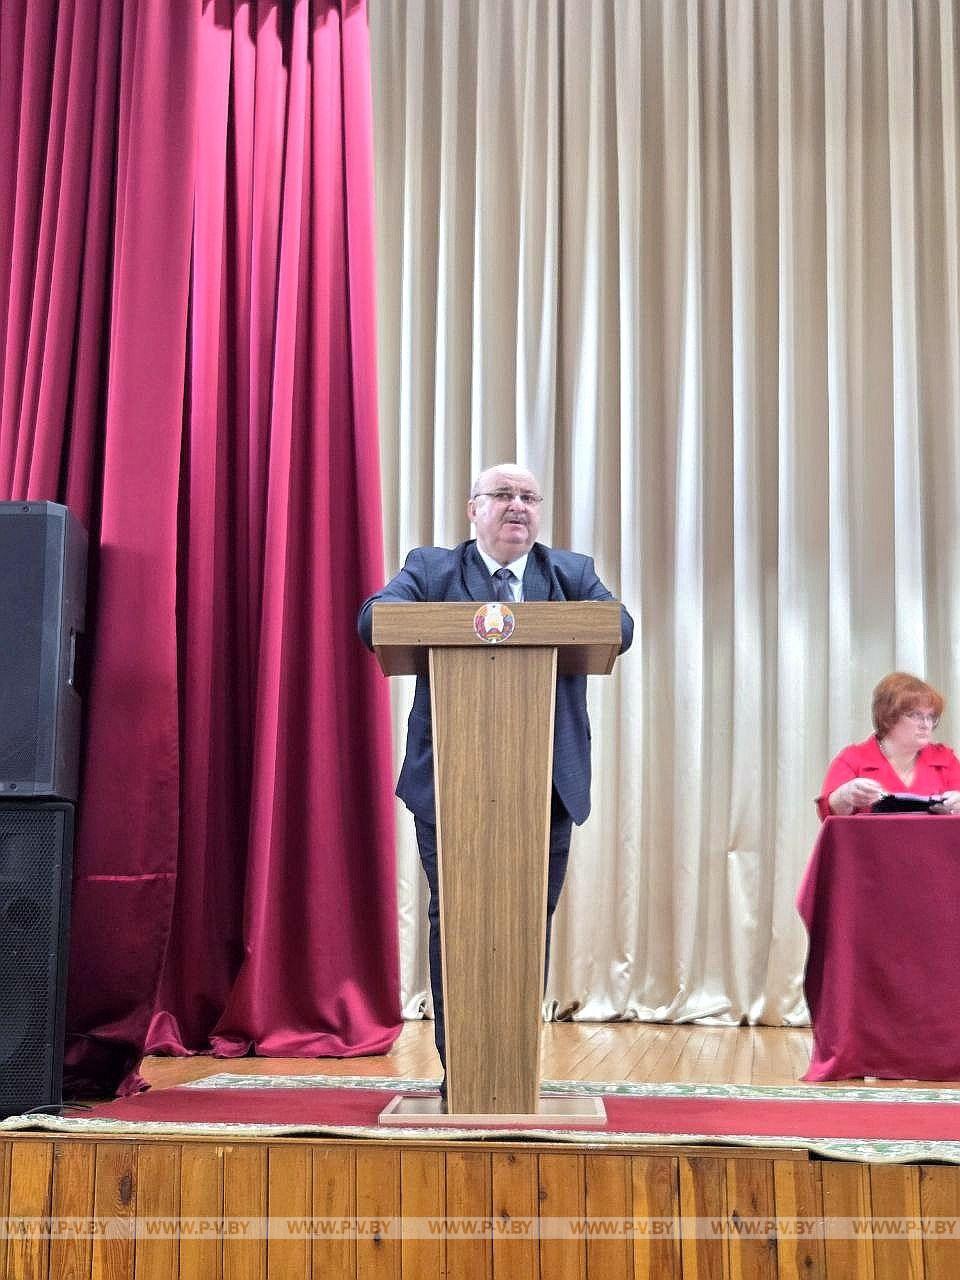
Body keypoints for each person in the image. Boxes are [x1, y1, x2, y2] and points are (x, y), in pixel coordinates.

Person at [357, 463, 633, 1079]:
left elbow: (619, 626)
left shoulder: (569, 573)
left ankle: (512, 1068)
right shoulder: (432, 570)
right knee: (454, 921)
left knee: (528, 920)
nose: (517, 506)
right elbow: (375, 618)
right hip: (448, 785)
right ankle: (461, 1070)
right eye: (503, 495)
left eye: (529, 497)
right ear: (473, 508)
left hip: (547, 787)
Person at [817, 672, 960, 819]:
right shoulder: (852, 759)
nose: (926, 724)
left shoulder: (945, 759)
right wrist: (843, 796)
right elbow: (830, 816)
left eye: (931, 716)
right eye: (916, 715)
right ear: (889, 716)